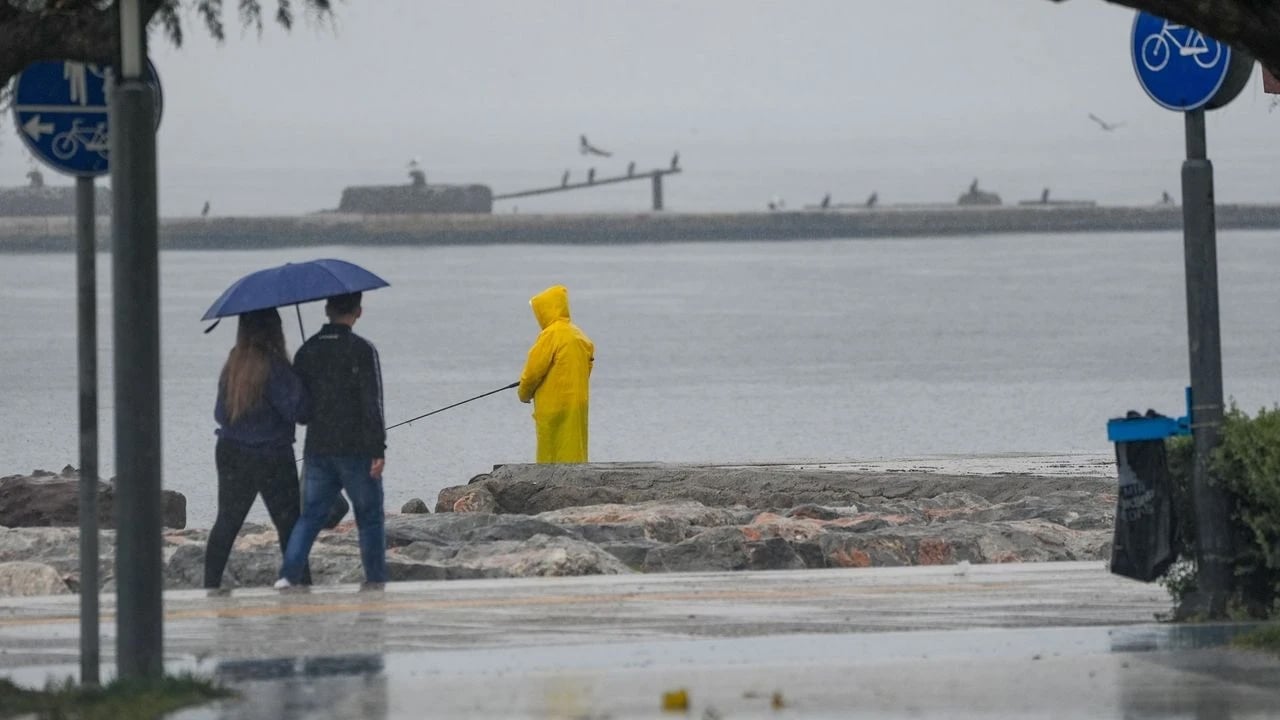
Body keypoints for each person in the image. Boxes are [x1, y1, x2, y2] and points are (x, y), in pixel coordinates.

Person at [276, 292, 388, 590]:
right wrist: (379, 450)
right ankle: (375, 579)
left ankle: (288, 576)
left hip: (318, 448)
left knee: (310, 517)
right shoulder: (363, 350)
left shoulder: (306, 351)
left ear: (327, 309)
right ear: (358, 312)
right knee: (370, 518)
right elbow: (372, 404)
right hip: (358, 449)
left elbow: (300, 411)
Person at [205, 308, 310, 593]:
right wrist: (305, 384)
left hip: (231, 452)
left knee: (226, 523)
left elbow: (220, 413)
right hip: (272, 456)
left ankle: (210, 585)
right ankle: (301, 584)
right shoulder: (275, 366)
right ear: (275, 329)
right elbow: (299, 412)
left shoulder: (233, 363)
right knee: (289, 526)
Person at [517, 285, 595, 463]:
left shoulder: (550, 335)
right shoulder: (580, 336)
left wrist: (524, 393)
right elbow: (587, 367)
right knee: (574, 445)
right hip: (578, 402)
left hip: (553, 404)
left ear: (545, 310)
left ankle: (550, 485)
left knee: (550, 449)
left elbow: (533, 372)